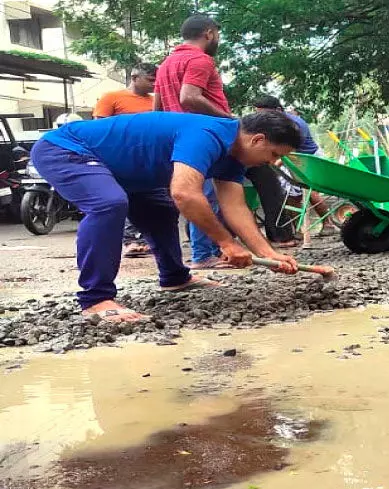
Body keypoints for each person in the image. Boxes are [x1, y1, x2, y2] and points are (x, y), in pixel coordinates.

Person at [29, 111, 302, 323]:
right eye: (274, 155)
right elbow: (185, 193)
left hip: (123, 170)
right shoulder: (208, 135)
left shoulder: (234, 157)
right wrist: (226, 243)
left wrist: (268, 254)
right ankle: (95, 299)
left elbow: (235, 207)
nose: (272, 163)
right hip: (67, 148)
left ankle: (174, 277)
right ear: (257, 140)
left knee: (160, 210)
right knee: (108, 204)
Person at [154, 14, 234, 269]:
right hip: (202, 136)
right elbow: (189, 97)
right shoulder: (200, 59)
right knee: (206, 195)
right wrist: (229, 119)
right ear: (209, 33)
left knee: (194, 193)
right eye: (217, 34)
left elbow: (157, 108)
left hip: (176, 137)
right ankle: (203, 255)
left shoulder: (166, 63)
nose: (217, 39)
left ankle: (207, 251)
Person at [94, 62, 158, 259]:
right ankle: (130, 240)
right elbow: (100, 128)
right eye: (150, 80)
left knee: (153, 200)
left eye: (156, 80)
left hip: (149, 158)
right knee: (125, 198)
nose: (154, 84)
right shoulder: (112, 97)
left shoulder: (155, 101)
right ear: (134, 77)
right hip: (120, 157)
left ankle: (149, 241)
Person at [253, 95, 336, 238]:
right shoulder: (271, 126)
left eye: (265, 114)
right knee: (291, 194)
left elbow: (291, 149)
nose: (261, 118)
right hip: (290, 158)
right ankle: (300, 229)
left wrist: (275, 165)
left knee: (310, 190)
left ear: (278, 110)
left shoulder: (294, 125)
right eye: (258, 114)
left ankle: (328, 223)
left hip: (308, 158)